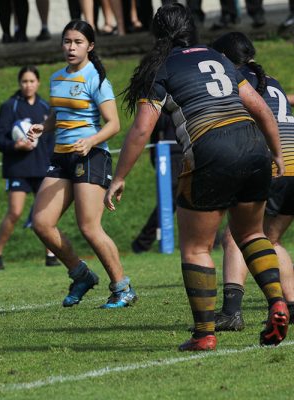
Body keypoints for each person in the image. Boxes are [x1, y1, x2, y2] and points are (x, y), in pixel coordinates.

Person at [105, 3, 289, 351]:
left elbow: (142, 129)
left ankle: (204, 334)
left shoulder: (162, 67)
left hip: (211, 152)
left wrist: (119, 176)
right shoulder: (219, 58)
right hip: (253, 149)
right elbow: (261, 108)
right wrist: (276, 153)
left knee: (195, 247)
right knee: (251, 233)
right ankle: (278, 302)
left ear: (158, 34)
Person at [27, 20, 137, 309]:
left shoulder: (96, 78)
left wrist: (90, 141)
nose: (71, 47)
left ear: (90, 46)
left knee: (89, 227)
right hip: (62, 156)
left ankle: (122, 287)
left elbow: (113, 124)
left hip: (92, 155)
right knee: (41, 222)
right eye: (67, 41)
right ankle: (81, 274)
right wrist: (43, 127)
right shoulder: (57, 78)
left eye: (77, 42)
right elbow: (58, 116)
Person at [211, 32, 294, 331]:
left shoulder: (231, 80)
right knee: (269, 240)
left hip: (272, 164)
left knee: (237, 237)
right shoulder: (271, 79)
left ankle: (232, 311)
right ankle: (292, 306)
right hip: (293, 165)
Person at [0, 65, 58, 270]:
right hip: (18, 167)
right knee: (15, 212)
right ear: (19, 83)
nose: (28, 85)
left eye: (31, 81)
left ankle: (51, 254)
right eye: (24, 81)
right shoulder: (9, 106)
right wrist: (15, 145)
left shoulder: (46, 108)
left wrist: (52, 164)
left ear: (38, 83)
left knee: (47, 213)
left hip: (42, 167)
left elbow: (50, 140)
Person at [130, 113, 182, 254]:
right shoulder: (164, 105)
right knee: (169, 201)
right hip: (171, 156)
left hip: (186, 153)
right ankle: (142, 244)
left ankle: (211, 239)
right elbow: (154, 130)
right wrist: (156, 157)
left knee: (191, 198)